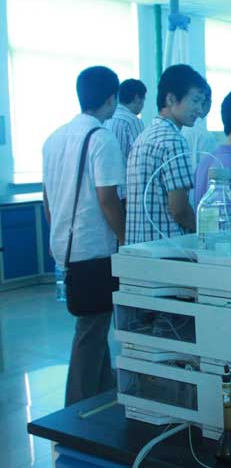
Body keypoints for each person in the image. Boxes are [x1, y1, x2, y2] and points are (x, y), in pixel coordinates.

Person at [42, 66, 125, 406]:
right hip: (95, 249)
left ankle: (102, 397)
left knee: (96, 323)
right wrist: (127, 239)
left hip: (67, 248)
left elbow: (48, 200)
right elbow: (107, 198)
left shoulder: (54, 139)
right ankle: (75, 409)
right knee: (90, 331)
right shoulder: (101, 138)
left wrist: (60, 238)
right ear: (111, 99)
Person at [126, 64, 207, 244]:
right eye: (195, 101)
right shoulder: (174, 141)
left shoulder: (143, 137)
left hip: (138, 247)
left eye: (202, 103)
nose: (200, 110)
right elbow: (179, 209)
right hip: (168, 248)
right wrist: (204, 232)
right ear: (171, 99)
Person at [105, 78, 146, 171]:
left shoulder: (106, 118)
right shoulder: (132, 121)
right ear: (137, 99)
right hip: (125, 177)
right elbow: (141, 156)